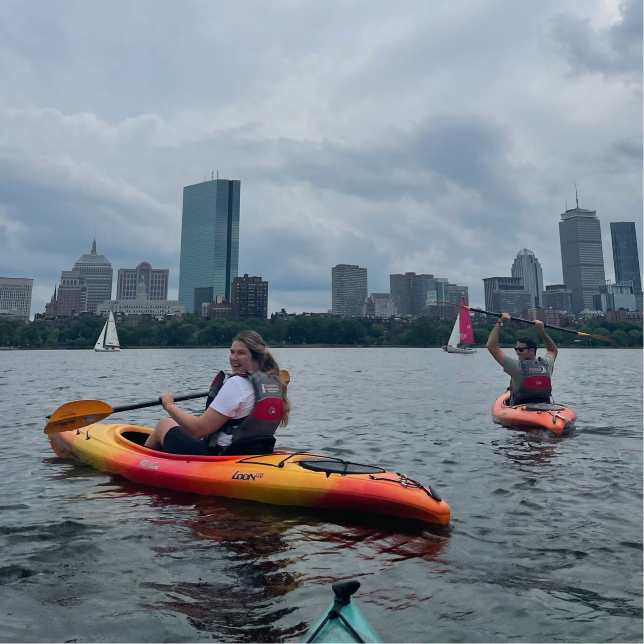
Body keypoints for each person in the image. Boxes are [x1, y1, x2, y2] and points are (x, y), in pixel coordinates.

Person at [144, 330, 291, 455]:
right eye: (232, 352)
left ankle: (143, 464)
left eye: (241, 353)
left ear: (256, 357)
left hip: (219, 455)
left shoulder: (237, 383)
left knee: (164, 424)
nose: (233, 358)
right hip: (252, 452)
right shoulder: (273, 381)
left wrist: (169, 405)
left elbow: (199, 430)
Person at [486, 313, 558, 406]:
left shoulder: (517, 367)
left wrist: (500, 322)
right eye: (516, 349)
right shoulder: (546, 364)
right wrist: (541, 331)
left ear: (532, 351)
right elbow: (552, 350)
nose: (517, 352)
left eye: (520, 350)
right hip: (544, 406)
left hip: (520, 407)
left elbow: (491, 346)